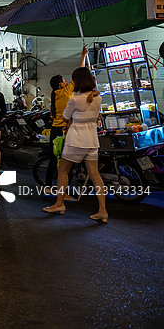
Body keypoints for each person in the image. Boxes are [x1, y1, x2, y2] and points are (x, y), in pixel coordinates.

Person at [43, 67, 108, 223]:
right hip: (92, 140)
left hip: (76, 141)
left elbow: (65, 117)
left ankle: (59, 203)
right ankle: (103, 211)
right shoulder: (97, 98)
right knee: (95, 175)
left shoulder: (74, 99)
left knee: (63, 170)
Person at [45, 45, 91, 193]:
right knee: (65, 161)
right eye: (64, 81)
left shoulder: (55, 94)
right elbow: (78, 74)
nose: (66, 82)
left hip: (55, 130)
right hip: (63, 131)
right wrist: (83, 56)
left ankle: (48, 186)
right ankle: (61, 190)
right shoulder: (65, 92)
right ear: (60, 84)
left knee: (54, 159)